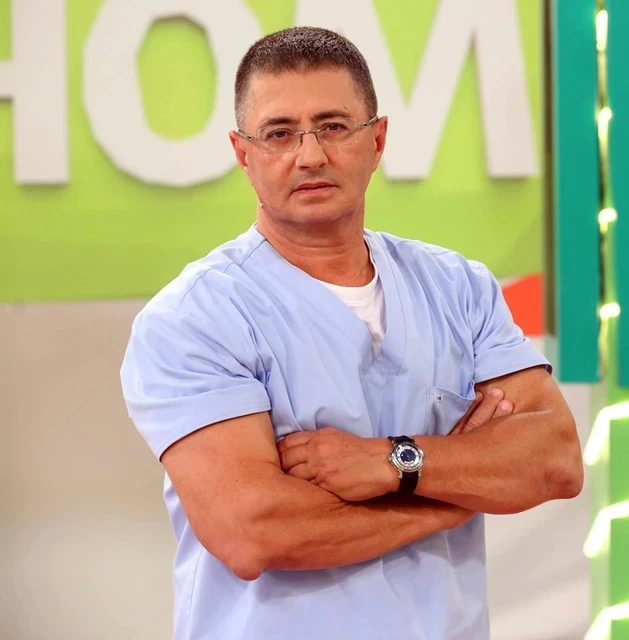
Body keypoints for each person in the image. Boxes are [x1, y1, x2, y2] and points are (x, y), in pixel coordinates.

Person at [120, 26, 583, 640]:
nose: (310, 155)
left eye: (333, 126)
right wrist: (456, 491)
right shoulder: (194, 318)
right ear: (242, 153)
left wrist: (389, 461)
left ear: (378, 139)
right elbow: (253, 531)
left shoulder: (457, 287)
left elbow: (554, 459)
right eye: (279, 133)